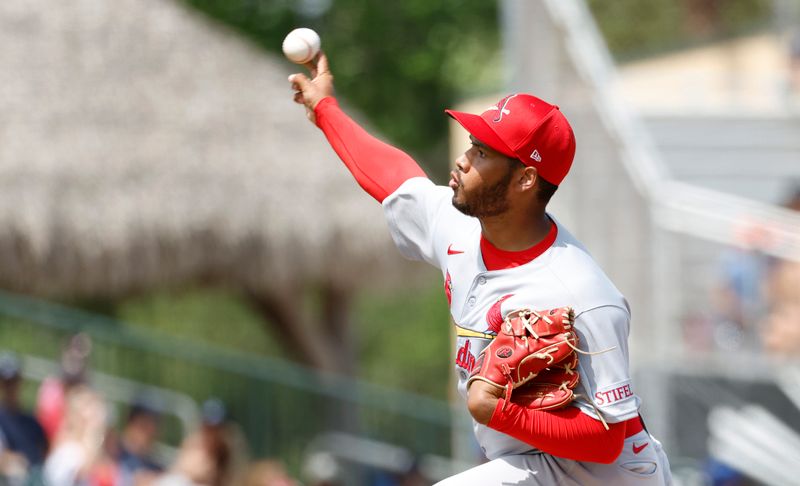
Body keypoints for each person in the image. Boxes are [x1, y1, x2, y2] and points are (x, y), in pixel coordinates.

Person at [288, 52, 672, 485]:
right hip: (533, 464)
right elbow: (394, 177)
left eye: (483, 152)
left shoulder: (584, 294)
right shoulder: (460, 232)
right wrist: (325, 109)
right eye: (472, 144)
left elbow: (606, 440)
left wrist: (495, 409)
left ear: (526, 179)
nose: (464, 159)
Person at [0, 352, 48, 482]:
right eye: (7, 383)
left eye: (14, 382)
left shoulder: (32, 422)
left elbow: (44, 452)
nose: (11, 388)